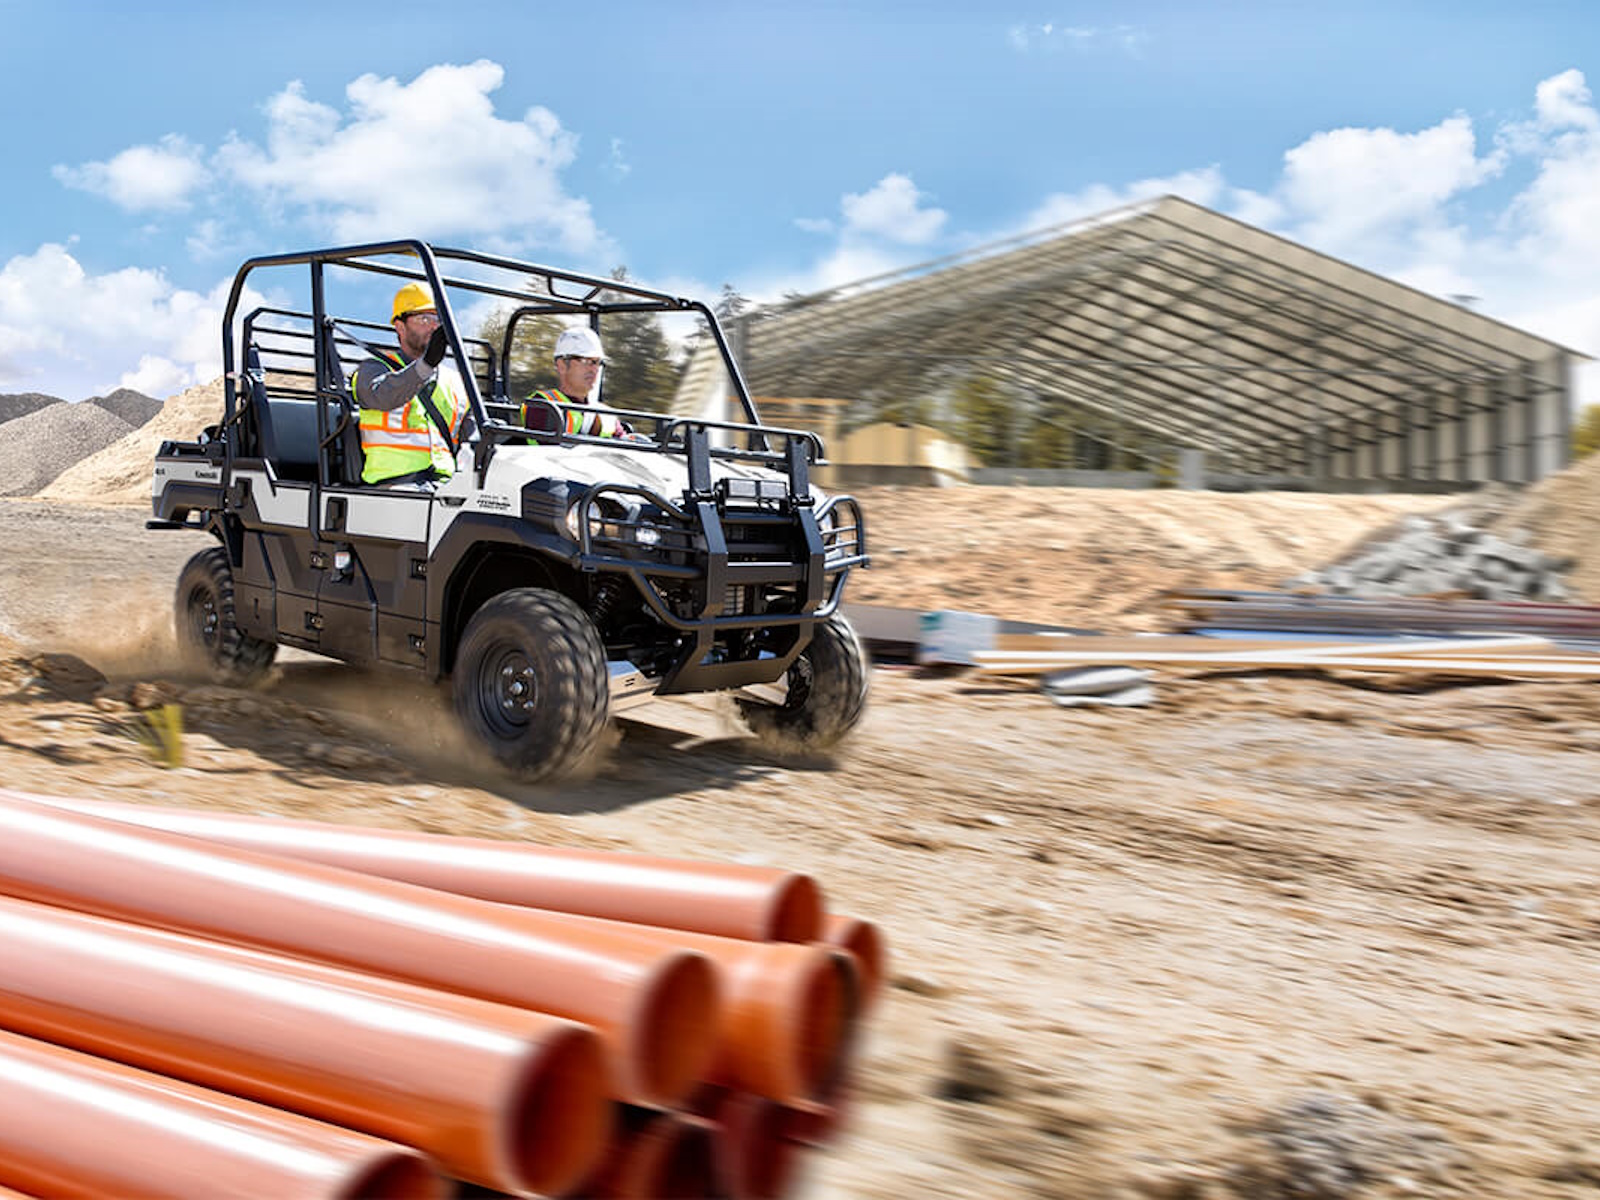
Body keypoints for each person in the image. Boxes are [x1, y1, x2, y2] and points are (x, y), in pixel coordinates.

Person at [350, 283, 467, 485]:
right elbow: (383, 396)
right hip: (393, 487)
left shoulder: (456, 381)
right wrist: (426, 365)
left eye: (438, 320)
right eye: (424, 319)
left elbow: (471, 439)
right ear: (400, 327)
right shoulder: (372, 370)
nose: (434, 327)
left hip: (447, 486)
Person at [521, 326, 638, 439]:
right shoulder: (543, 406)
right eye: (586, 361)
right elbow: (550, 448)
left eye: (597, 362)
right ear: (562, 365)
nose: (594, 369)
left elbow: (625, 443)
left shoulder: (606, 415)